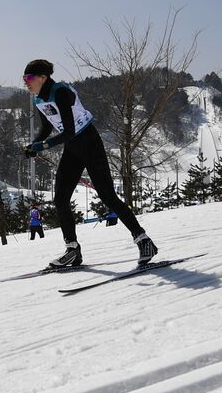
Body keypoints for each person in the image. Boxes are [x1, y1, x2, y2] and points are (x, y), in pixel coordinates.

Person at [21, 58, 157, 268]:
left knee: (107, 196)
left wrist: (44, 147)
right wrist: (34, 144)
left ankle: (144, 241)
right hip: (73, 148)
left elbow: (68, 130)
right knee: (60, 199)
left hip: (89, 142)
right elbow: (46, 128)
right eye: (24, 79)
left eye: (29, 78)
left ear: (43, 77)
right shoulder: (39, 99)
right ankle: (72, 250)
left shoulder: (60, 92)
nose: (26, 82)